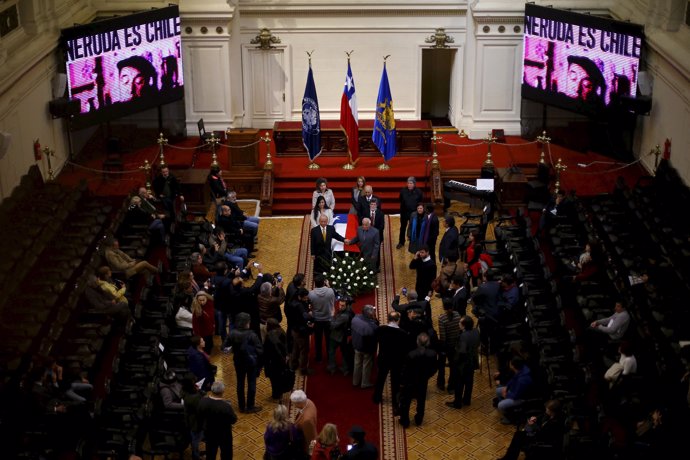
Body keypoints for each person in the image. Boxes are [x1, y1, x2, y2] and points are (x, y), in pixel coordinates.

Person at [496, 399, 565, 460]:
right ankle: (508, 458)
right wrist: (536, 418)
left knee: (519, 438)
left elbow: (543, 435)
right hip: (537, 434)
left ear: (553, 411)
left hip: (540, 441)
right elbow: (542, 416)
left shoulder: (556, 423)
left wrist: (533, 426)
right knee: (518, 435)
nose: (546, 410)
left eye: (548, 409)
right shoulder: (550, 414)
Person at [226, 312, 263, 413]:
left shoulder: (232, 333)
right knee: (251, 383)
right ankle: (250, 406)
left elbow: (225, 347)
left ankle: (241, 406)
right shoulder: (252, 334)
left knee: (240, 383)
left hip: (238, 361)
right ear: (247, 322)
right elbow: (260, 350)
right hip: (251, 362)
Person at [398, 332, 438, 428]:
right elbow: (434, 368)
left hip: (410, 381)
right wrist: (428, 376)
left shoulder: (411, 354)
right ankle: (419, 419)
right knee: (421, 400)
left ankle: (405, 421)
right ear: (428, 342)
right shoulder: (432, 354)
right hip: (423, 381)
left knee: (406, 401)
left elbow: (405, 370)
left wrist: (402, 382)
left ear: (417, 342)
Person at [372, 311, 408, 409]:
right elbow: (404, 349)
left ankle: (377, 397)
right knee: (395, 381)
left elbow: (376, 340)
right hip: (396, 361)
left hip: (383, 358)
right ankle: (395, 402)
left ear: (388, 319)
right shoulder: (403, 334)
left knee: (380, 378)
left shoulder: (380, 329)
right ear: (398, 320)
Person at [197, 381, 238, 460]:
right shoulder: (226, 406)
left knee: (210, 453)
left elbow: (199, 415)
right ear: (222, 391)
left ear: (212, 390)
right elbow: (233, 420)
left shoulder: (203, 402)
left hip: (209, 432)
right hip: (224, 433)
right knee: (226, 454)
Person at [446, 316, 480, 409]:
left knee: (459, 383)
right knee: (469, 382)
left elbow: (461, 352)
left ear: (464, 325)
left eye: (460, 323)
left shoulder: (463, 336)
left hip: (463, 364)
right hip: (473, 361)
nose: (458, 324)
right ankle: (467, 400)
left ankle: (457, 403)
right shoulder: (476, 331)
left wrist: (454, 362)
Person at [494, 357, 534, 424]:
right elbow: (513, 379)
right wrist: (506, 387)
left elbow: (516, 395)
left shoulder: (523, 380)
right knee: (498, 390)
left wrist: (506, 395)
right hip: (514, 391)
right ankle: (508, 410)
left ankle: (509, 418)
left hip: (521, 398)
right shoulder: (520, 370)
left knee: (501, 405)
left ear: (513, 366)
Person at [285, 287, 313, 375]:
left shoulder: (291, 302)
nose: (306, 298)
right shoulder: (299, 306)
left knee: (296, 347)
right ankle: (303, 369)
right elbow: (305, 316)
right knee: (304, 350)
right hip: (301, 331)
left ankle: (293, 365)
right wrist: (311, 315)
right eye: (305, 297)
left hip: (293, 329)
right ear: (300, 297)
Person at [309, 274, 336, 363]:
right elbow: (332, 299)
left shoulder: (311, 294)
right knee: (329, 339)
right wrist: (328, 286)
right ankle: (329, 357)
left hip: (317, 320)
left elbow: (310, 306)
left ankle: (319, 357)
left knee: (318, 340)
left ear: (314, 283)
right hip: (328, 319)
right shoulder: (330, 291)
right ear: (324, 282)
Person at [351, 305, 379, 389]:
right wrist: (374, 320)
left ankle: (355, 381)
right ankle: (365, 383)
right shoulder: (372, 327)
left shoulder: (355, 318)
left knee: (357, 364)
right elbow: (376, 336)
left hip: (356, 346)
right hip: (367, 349)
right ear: (370, 315)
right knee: (366, 365)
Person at [436, 299, 461, 392]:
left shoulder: (442, 318)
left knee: (441, 366)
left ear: (444, 307)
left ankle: (441, 384)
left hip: (445, 346)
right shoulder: (458, 315)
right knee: (453, 366)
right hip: (455, 345)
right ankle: (451, 386)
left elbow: (443, 337)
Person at [263, 318, 290, 400]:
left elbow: (267, 350)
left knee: (274, 380)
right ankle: (279, 393)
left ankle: (276, 395)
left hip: (274, 361)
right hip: (282, 359)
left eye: (267, 324)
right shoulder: (281, 330)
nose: (265, 326)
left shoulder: (270, 335)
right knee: (279, 377)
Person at [328, 294, 354, 376]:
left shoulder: (344, 316)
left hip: (337, 336)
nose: (340, 307)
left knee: (332, 352)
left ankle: (332, 368)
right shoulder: (350, 311)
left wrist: (332, 316)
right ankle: (344, 369)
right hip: (344, 336)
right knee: (344, 353)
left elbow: (333, 325)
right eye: (339, 304)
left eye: (342, 305)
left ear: (347, 305)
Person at [398, 177, 424, 249]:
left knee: (414, 227)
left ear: (414, 184)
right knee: (403, 227)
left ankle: (413, 242)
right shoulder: (403, 191)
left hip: (414, 213)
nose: (409, 185)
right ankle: (401, 242)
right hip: (404, 213)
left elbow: (421, 202)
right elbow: (400, 199)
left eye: (411, 183)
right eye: (408, 183)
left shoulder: (419, 192)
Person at [181, 376, 204, 460]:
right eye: (194, 383)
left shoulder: (183, 392)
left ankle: (196, 453)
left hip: (190, 420)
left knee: (194, 438)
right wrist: (200, 391)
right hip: (196, 421)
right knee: (196, 440)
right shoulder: (194, 398)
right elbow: (201, 405)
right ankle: (196, 456)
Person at [291, 390, 318, 456]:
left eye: (294, 403)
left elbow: (310, 437)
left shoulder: (307, 420)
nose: (293, 405)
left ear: (299, 403)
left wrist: (309, 452)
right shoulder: (308, 401)